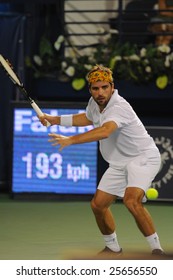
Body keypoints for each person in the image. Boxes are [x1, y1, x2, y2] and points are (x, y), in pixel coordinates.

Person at [39, 64, 164, 257]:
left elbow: (105, 131)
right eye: (96, 88)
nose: (100, 92)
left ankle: (157, 250)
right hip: (118, 163)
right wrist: (55, 120)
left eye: (105, 87)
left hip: (143, 158)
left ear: (112, 87)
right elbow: (88, 118)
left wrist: (71, 139)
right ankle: (113, 248)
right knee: (98, 205)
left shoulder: (119, 107)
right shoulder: (93, 103)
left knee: (132, 202)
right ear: (90, 90)